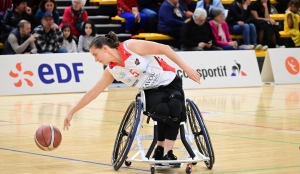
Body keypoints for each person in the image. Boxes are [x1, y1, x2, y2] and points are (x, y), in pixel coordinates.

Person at [63, 31, 201, 163]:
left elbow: (165, 48)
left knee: (176, 106)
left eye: (95, 54)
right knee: (163, 110)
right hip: (150, 91)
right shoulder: (112, 71)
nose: (95, 59)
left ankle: (167, 153)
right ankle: (160, 149)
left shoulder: (130, 47)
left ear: (105, 48)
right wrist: (72, 111)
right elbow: (93, 93)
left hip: (169, 80)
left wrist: (187, 69)